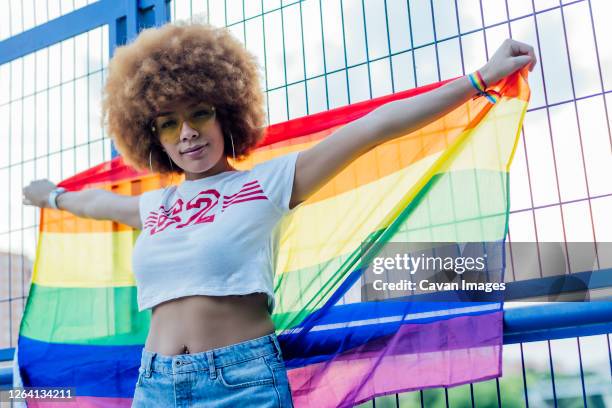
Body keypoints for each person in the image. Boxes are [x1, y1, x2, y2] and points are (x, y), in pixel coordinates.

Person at [22, 20, 536, 407]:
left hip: (240, 381)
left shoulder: (269, 183)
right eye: (168, 124)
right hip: (153, 384)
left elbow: (370, 131)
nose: (187, 133)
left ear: (226, 113)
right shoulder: (155, 206)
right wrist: (51, 195)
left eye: (199, 113)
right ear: (151, 137)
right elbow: (94, 202)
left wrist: (480, 78)